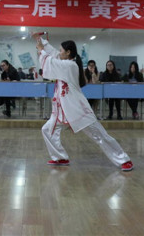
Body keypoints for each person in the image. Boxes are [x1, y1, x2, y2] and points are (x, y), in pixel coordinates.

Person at [34, 33, 133, 171]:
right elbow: (54, 54)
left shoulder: (70, 65)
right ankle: (60, 157)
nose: (59, 52)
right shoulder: (65, 62)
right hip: (62, 110)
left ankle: (123, 159)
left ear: (68, 53)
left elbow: (51, 60)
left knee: (99, 135)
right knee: (47, 130)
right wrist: (41, 41)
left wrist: (41, 50)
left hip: (77, 109)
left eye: (61, 50)